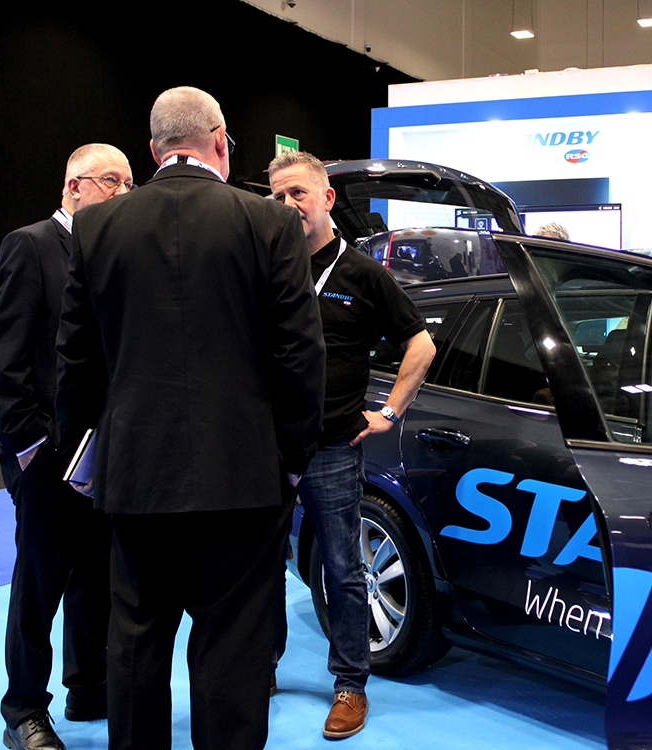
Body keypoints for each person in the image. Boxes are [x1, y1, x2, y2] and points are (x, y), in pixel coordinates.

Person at [55, 87, 325, 750]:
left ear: (152, 150)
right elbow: (300, 358)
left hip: (135, 478)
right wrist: (290, 463)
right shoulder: (269, 225)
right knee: (233, 652)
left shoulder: (96, 227)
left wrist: (90, 460)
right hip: (244, 479)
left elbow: (76, 363)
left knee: (136, 642)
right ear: (222, 142)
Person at [268, 151, 436, 740]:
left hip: (333, 447)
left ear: (326, 199)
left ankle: (349, 684)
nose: (288, 205)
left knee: (342, 569)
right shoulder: (264, 266)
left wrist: (390, 411)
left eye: (297, 194)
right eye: (278, 196)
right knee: (259, 564)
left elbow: (421, 345)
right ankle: (260, 667)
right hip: (264, 447)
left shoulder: (363, 274)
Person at [0, 143, 133, 750]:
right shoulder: (30, 244)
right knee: (39, 585)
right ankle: (23, 710)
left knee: (96, 577)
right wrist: (31, 451)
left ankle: (88, 686)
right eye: (111, 182)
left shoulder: (114, 253)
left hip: (104, 452)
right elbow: (3, 356)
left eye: (128, 182)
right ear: (74, 187)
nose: (124, 193)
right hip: (45, 455)